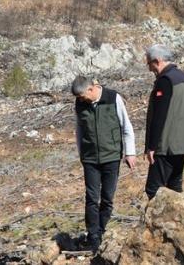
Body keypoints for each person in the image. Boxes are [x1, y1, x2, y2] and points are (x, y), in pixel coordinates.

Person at [72, 75, 136, 251]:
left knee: (107, 198)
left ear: (91, 89)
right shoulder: (79, 104)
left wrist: (130, 152)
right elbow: (79, 130)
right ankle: (93, 236)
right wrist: (82, 154)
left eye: (82, 96)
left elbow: (126, 126)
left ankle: (101, 229)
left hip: (112, 157)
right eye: (78, 98)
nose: (81, 100)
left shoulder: (113, 98)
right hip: (90, 159)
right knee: (92, 198)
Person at [143, 44, 184, 199]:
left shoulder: (165, 80)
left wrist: (152, 146)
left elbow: (159, 116)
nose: (150, 69)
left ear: (157, 60)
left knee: (153, 189)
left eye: (149, 64)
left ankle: (154, 215)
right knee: (174, 185)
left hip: (167, 145)